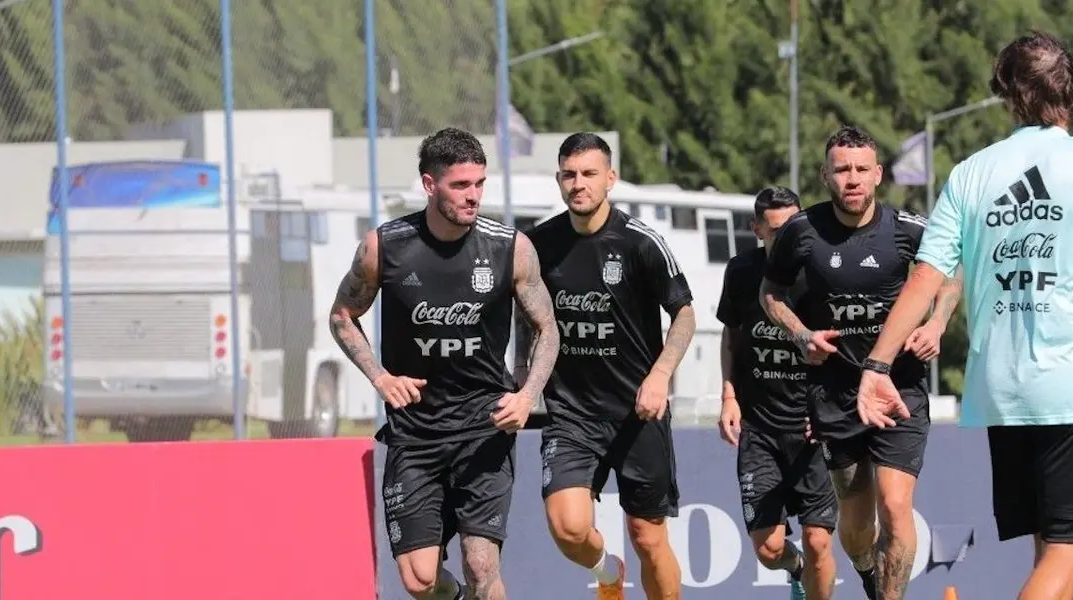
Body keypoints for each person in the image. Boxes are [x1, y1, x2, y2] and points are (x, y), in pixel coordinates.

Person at [855, 31, 1073, 600]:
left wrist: (876, 366)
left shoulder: (971, 172)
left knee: (1053, 546)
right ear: (1072, 90)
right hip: (1071, 390)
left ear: (1008, 95)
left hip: (1000, 393)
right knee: (1070, 552)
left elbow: (925, 278)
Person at [329, 127, 560, 600]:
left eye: (479, 183)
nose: (473, 196)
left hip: (484, 427)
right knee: (419, 580)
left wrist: (526, 395)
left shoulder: (509, 248)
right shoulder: (384, 248)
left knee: (481, 564)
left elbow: (548, 328)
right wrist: (380, 377)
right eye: (460, 185)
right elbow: (342, 317)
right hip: (415, 433)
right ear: (430, 185)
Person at [759, 125, 963, 600]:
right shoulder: (800, 232)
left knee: (895, 508)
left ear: (878, 175)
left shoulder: (906, 229)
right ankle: (870, 575)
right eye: (841, 169)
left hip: (898, 388)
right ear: (825, 175)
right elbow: (771, 293)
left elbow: (950, 269)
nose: (851, 178)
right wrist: (799, 333)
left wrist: (936, 323)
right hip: (834, 395)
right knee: (854, 527)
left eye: (860, 169)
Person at [527, 132, 696, 600]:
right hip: (572, 416)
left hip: (638, 414)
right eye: (569, 175)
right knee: (569, 528)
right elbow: (524, 318)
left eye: (588, 174)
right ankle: (607, 573)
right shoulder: (539, 245)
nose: (578, 184)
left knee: (648, 535)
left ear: (611, 179)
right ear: (559, 180)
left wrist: (660, 375)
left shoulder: (641, 242)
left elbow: (684, 313)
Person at [717, 186, 838, 600]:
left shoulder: (822, 274)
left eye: (792, 229)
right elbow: (730, 337)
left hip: (811, 431)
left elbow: (846, 345)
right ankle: (797, 567)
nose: (785, 239)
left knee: (821, 541)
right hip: (759, 431)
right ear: (756, 231)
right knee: (769, 550)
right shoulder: (740, 272)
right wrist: (729, 396)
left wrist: (830, 408)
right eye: (774, 231)